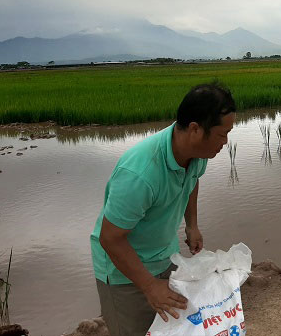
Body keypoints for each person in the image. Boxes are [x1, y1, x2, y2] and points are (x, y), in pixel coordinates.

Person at [90, 82, 236, 336]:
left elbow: (192, 182)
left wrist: (192, 224)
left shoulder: (197, 155)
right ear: (195, 129)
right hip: (124, 273)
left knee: (172, 329)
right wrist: (148, 286)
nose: (225, 142)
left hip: (165, 258)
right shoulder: (140, 174)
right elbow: (110, 238)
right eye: (222, 134)